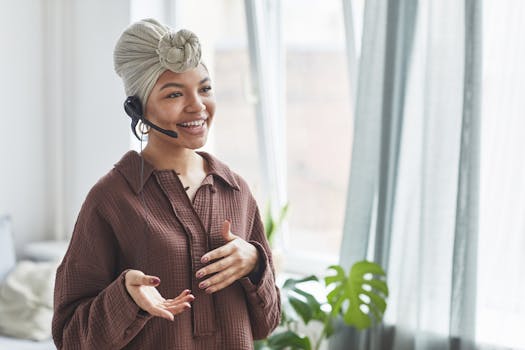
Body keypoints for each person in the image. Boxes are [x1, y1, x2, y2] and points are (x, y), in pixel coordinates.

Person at [52, 18, 281, 350]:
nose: (198, 106)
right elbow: (70, 338)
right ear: (138, 108)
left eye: (204, 88)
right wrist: (124, 298)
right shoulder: (111, 199)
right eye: (175, 93)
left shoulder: (236, 191)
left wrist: (255, 265)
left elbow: (265, 325)